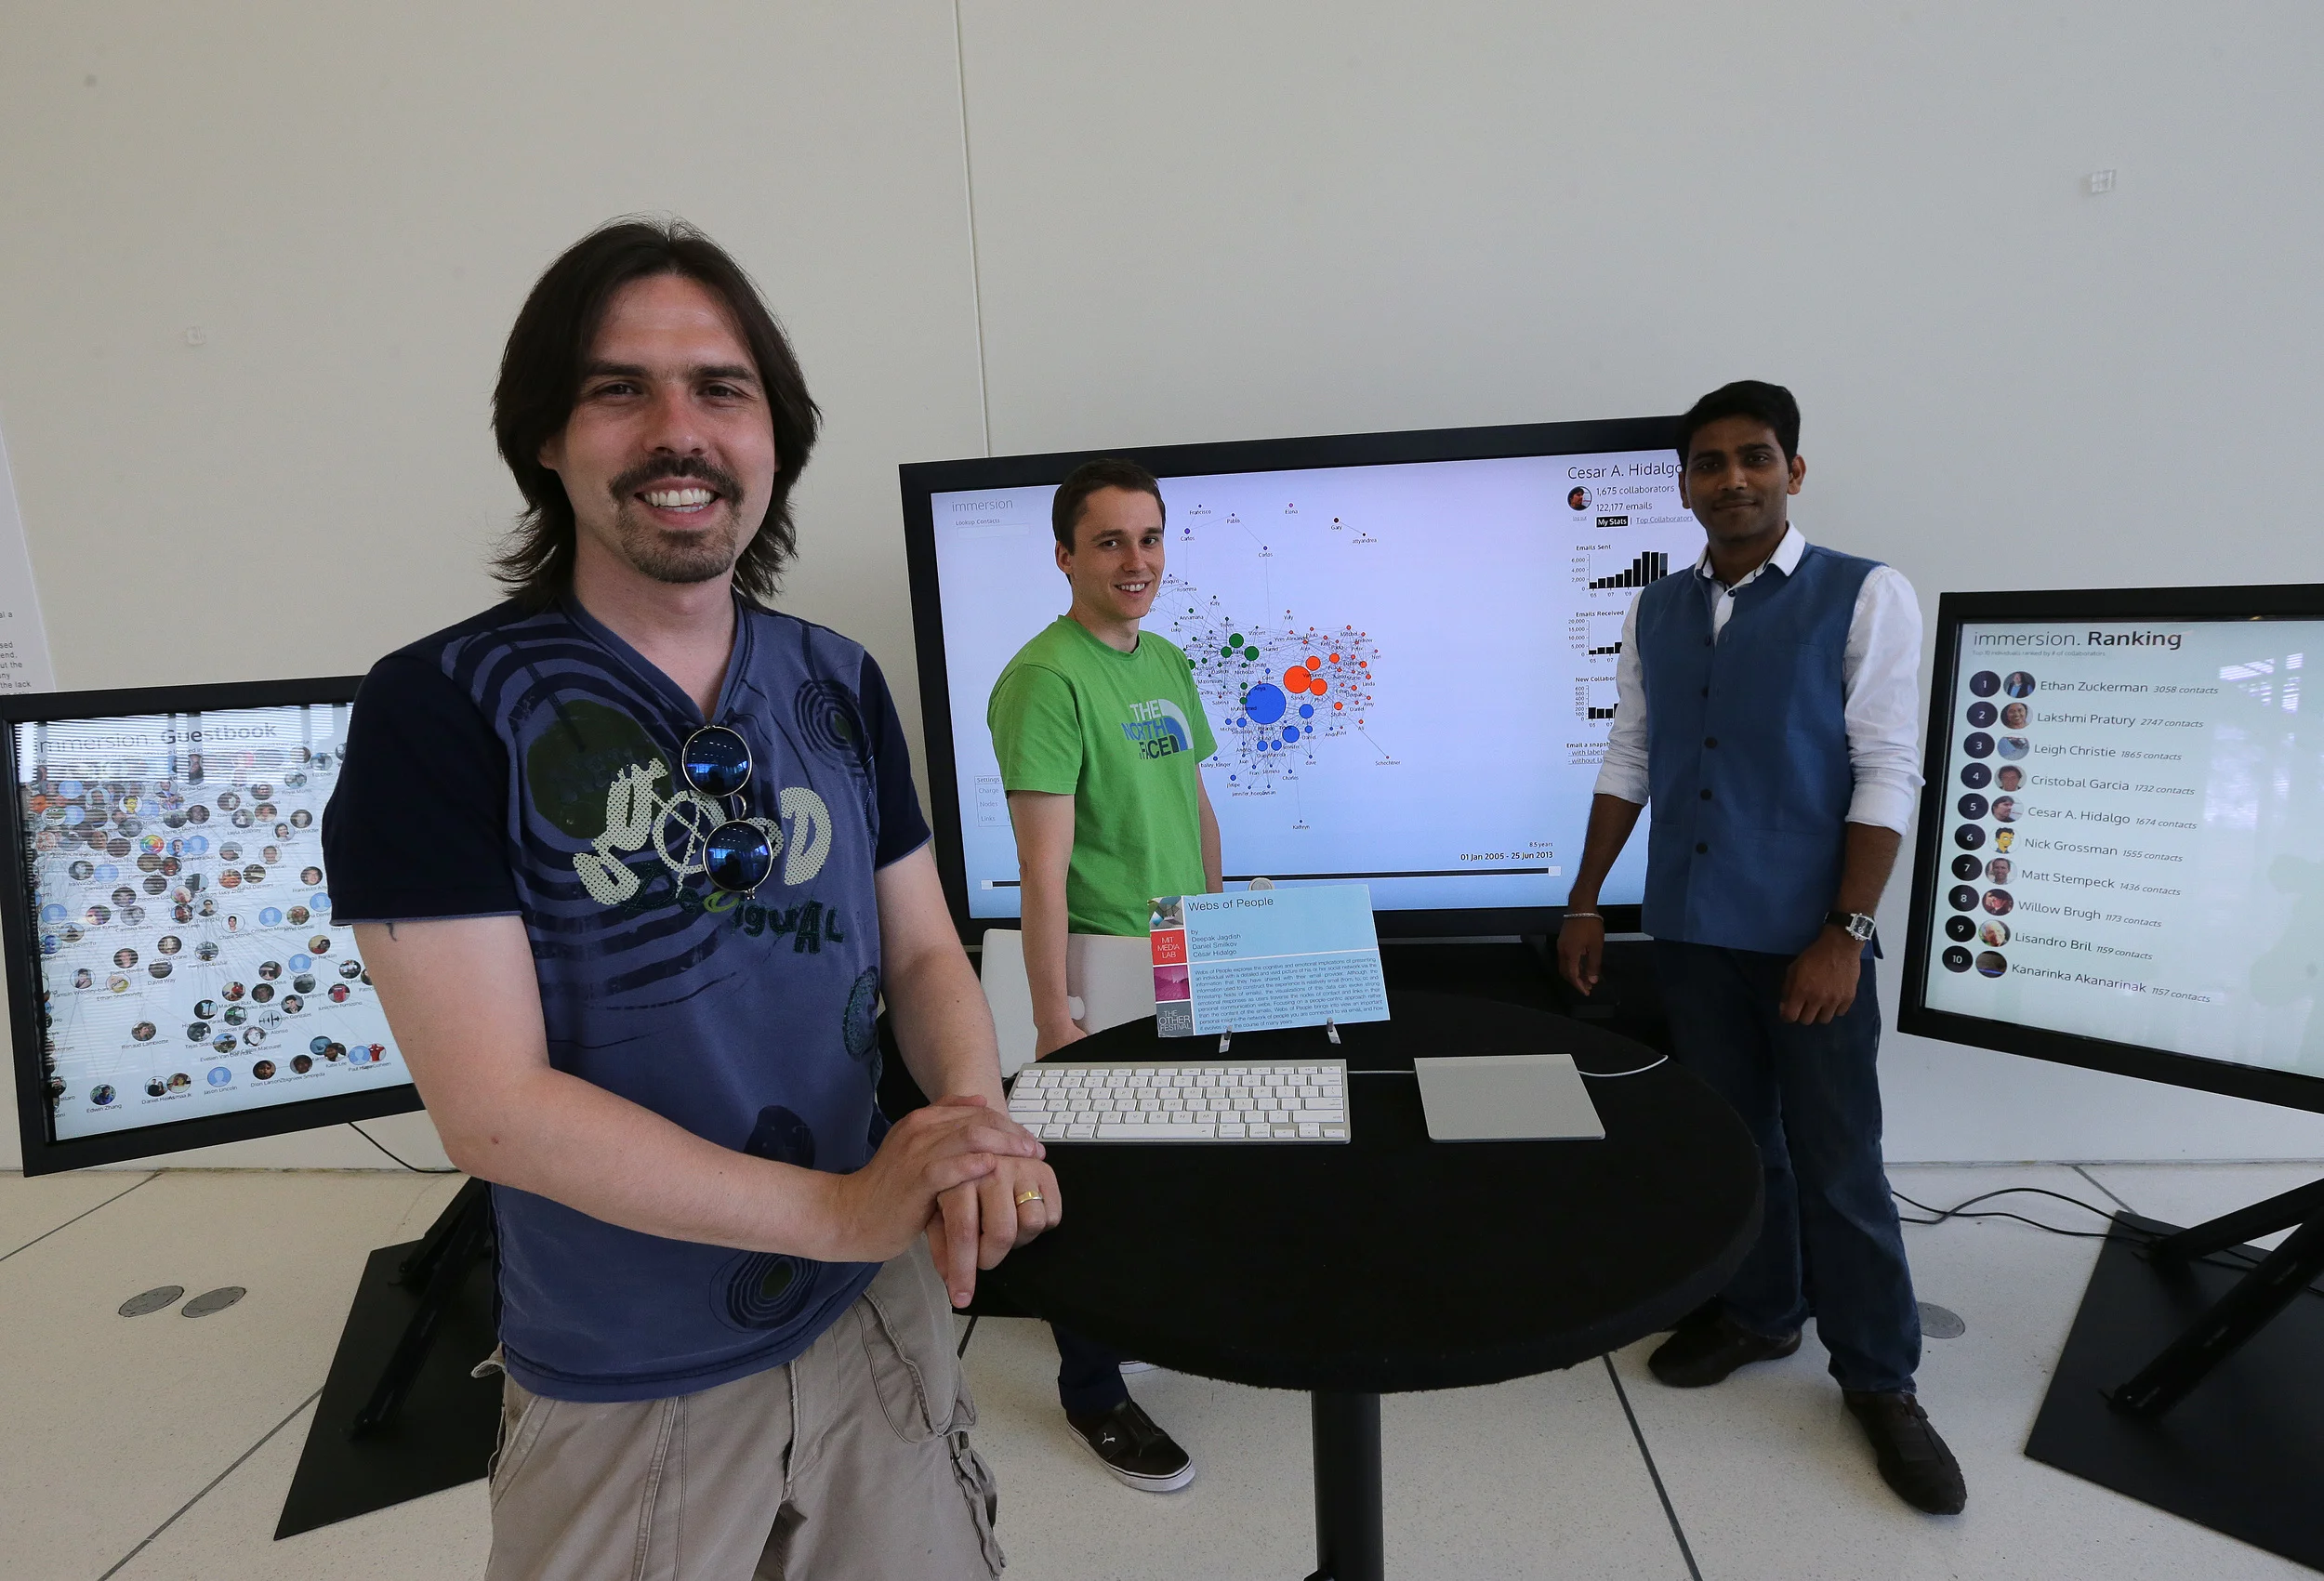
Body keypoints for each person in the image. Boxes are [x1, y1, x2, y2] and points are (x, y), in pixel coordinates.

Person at [322, 219, 1050, 1580]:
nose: (679, 430)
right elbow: (494, 1109)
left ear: (775, 435)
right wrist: (844, 1209)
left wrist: (970, 1124)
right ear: (544, 435)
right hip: (627, 1375)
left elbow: (924, 950)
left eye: (722, 388)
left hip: (878, 1322)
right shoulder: (441, 709)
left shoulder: (837, 678)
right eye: (619, 388)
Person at [1556, 381, 1965, 1514]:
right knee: (1740, 1146)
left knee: (1840, 1163)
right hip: (1689, 929)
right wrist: (1588, 899)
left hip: (1808, 941)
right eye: (1707, 463)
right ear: (1684, 483)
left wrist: (1846, 932)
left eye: (1754, 457)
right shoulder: (1657, 609)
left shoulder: (1865, 594)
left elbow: (1889, 768)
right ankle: (1760, 1311)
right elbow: (1630, 754)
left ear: (1793, 468)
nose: (1731, 478)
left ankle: (1881, 1381)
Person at [985, 456, 1218, 1494]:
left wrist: (1218, 937)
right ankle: (1093, 1392)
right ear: (1065, 555)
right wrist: (1051, 1013)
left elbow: (1195, 806)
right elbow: (1041, 867)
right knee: (1090, 1190)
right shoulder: (1046, 679)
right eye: (1111, 541)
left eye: (1151, 537)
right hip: (1097, 963)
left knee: (1165, 1170)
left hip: (1175, 950)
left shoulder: (1164, 659)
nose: (1137, 561)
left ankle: (1125, 1328)